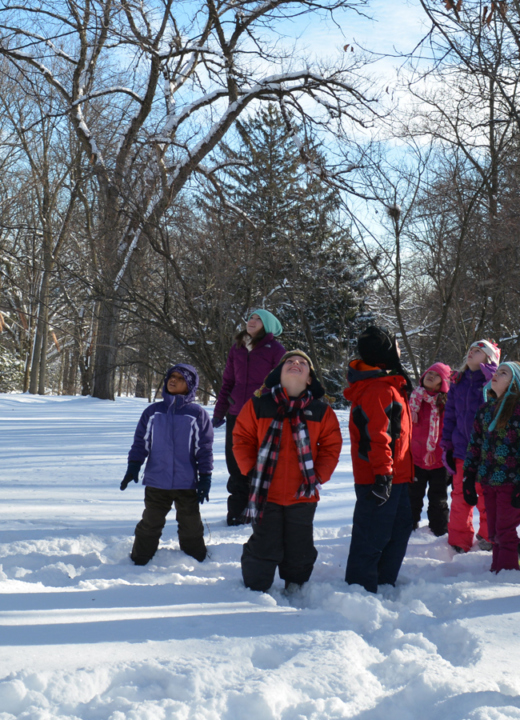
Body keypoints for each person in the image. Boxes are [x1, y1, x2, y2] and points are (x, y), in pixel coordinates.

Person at [232, 350, 342, 592]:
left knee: (299, 545)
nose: (295, 363)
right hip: (265, 492)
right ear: (277, 374)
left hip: (302, 494)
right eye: (289, 362)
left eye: (303, 363)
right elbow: (242, 438)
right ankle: (255, 588)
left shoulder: (321, 411)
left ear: (310, 378)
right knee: (265, 543)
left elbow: (332, 446)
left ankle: (296, 586)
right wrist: (251, 469)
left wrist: (319, 476)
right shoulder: (258, 404)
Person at [344, 326, 414, 594]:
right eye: (395, 344)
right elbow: (378, 436)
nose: (399, 349)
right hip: (379, 476)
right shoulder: (378, 389)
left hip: (399, 475)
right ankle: (359, 590)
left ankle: (384, 582)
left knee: (399, 529)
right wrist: (383, 475)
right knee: (373, 534)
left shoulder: (390, 385)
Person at [120, 364, 213, 565]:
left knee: (191, 525)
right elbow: (140, 442)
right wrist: (134, 465)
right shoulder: (153, 412)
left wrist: (205, 477)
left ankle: (196, 560)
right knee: (150, 523)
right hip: (156, 481)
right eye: (171, 376)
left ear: (189, 385)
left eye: (180, 378)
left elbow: (204, 449)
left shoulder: (196, 414)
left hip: (186, 483)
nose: (173, 380)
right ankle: (139, 560)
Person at [213, 309, 285, 526]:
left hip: (262, 417)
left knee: (256, 464)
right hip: (236, 415)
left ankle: (259, 512)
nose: (251, 321)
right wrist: (219, 411)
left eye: (257, 319)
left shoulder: (276, 350)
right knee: (235, 464)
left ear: (268, 326)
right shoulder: (238, 347)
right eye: (251, 318)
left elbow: (281, 385)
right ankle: (236, 514)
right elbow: (228, 382)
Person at [440, 339, 500, 553]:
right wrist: (446, 443)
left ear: (489, 357)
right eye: (470, 350)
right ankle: (459, 540)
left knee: (485, 496)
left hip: (486, 452)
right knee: (459, 496)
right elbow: (450, 416)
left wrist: (489, 374)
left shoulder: (494, 380)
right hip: (460, 451)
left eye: (478, 351)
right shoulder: (458, 381)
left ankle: (488, 536)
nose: (471, 353)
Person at [463, 361, 520, 572]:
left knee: (505, 531)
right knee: (494, 531)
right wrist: (468, 477)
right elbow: (475, 445)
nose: (497, 374)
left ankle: (506, 575)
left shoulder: (518, 410)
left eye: (504, 373)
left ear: (515, 382)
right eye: (497, 371)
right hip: (489, 481)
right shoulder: (485, 409)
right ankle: (498, 569)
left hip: (512, 483)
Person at [408, 362, 452, 536]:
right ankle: (408, 527)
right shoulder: (413, 398)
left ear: (443, 383)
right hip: (415, 459)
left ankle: (439, 530)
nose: (431, 376)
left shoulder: (448, 404)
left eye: (437, 375)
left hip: (440, 461)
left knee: (438, 499)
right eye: (429, 373)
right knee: (412, 497)